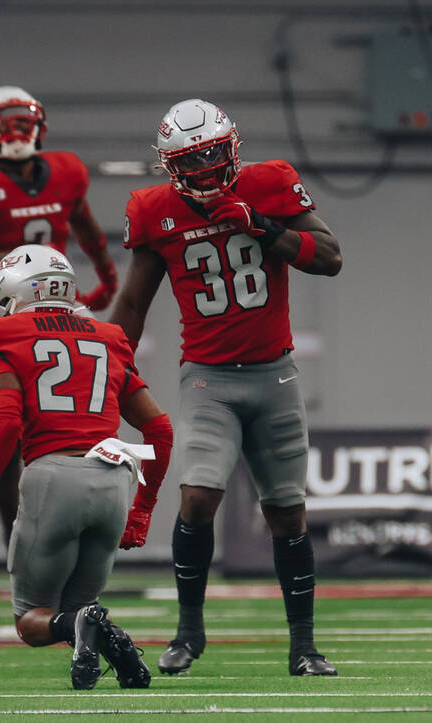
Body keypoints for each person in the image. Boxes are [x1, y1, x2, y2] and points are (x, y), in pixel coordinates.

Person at [108, 99, 343, 677]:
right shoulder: (154, 210)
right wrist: (109, 370)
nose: (209, 166)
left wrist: (262, 226)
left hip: (276, 375)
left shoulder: (271, 183)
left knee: (287, 513)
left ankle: (304, 647)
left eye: (215, 152)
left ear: (232, 146)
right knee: (197, 497)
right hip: (208, 378)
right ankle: (188, 634)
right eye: (195, 159)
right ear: (170, 166)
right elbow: (134, 302)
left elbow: (330, 258)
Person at [0, 244, 172, 691]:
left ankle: (87, 629)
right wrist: (142, 510)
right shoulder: (108, 336)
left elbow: (7, 421)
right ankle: (123, 660)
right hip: (113, 481)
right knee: (81, 606)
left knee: (31, 621)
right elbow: (160, 429)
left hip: (53, 478)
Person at [0, 86, 119, 544]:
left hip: (64, 315)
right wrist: (24, 262)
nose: (18, 131)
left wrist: (106, 276)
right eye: (9, 122)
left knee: (78, 422)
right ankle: (16, 537)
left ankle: (75, 534)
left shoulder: (66, 172)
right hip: (8, 322)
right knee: (12, 430)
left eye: (25, 121)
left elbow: (85, 224)